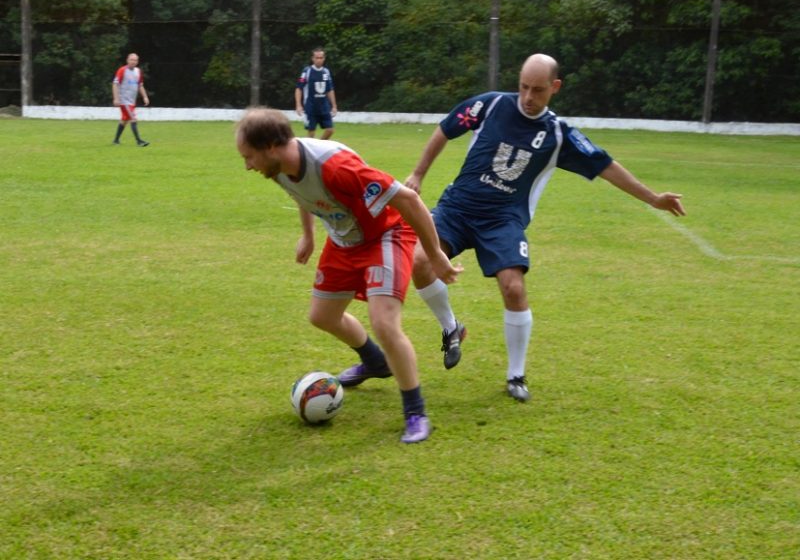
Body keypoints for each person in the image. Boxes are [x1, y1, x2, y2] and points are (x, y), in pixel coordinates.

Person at [404, 53, 686, 402]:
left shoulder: (559, 134)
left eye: (537, 90)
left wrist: (652, 197)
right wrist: (418, 173)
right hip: (457, 207)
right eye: (523, 87)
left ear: (555, 87)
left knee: (513, 288)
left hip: (503, 220)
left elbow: (606, 165)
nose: (527, 97)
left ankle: (516, 375)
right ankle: (451, 328)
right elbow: (446, 129)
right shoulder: (490, 105)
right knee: (417, 262)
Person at [235, 107, 462, 443]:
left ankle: (415, 412)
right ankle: (375, 362)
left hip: (385, 235)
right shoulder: (279, 166)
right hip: (344, 240)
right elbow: (303, 192)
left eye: (249, 156)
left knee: (384, 323)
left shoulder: (337, 167)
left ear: (270, 146)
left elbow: (409, 200)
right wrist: (309, 235)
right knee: (322, 316)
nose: (247, 165)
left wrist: (434, 254)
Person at [294, 48, 338, 139]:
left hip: (324, 106)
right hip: (311, 106)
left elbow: (329, 89)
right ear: (312, 59)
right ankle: (307, 151)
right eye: (317, 58)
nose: (319, 60)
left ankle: (319, 145)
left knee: (330, 130)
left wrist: (334, 105)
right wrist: (298, 105)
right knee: (311, 133)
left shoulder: (326, 72)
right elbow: (299, 88)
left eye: (321, 58)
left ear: (324, 58)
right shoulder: (307, 71)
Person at [112, 53, 150, 147]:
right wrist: (116, 98)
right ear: (127, 60)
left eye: (135, 60)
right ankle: (139, 141)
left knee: (124, 120)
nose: (133, 62)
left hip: (131, 101)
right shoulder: (122, 70)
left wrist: (145, 96)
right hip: (124, 101)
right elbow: (115, 84)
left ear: (137, 61)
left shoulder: (138, 71)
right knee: (133, 119)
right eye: (131, 59)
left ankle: (116, 140)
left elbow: (140, 85)